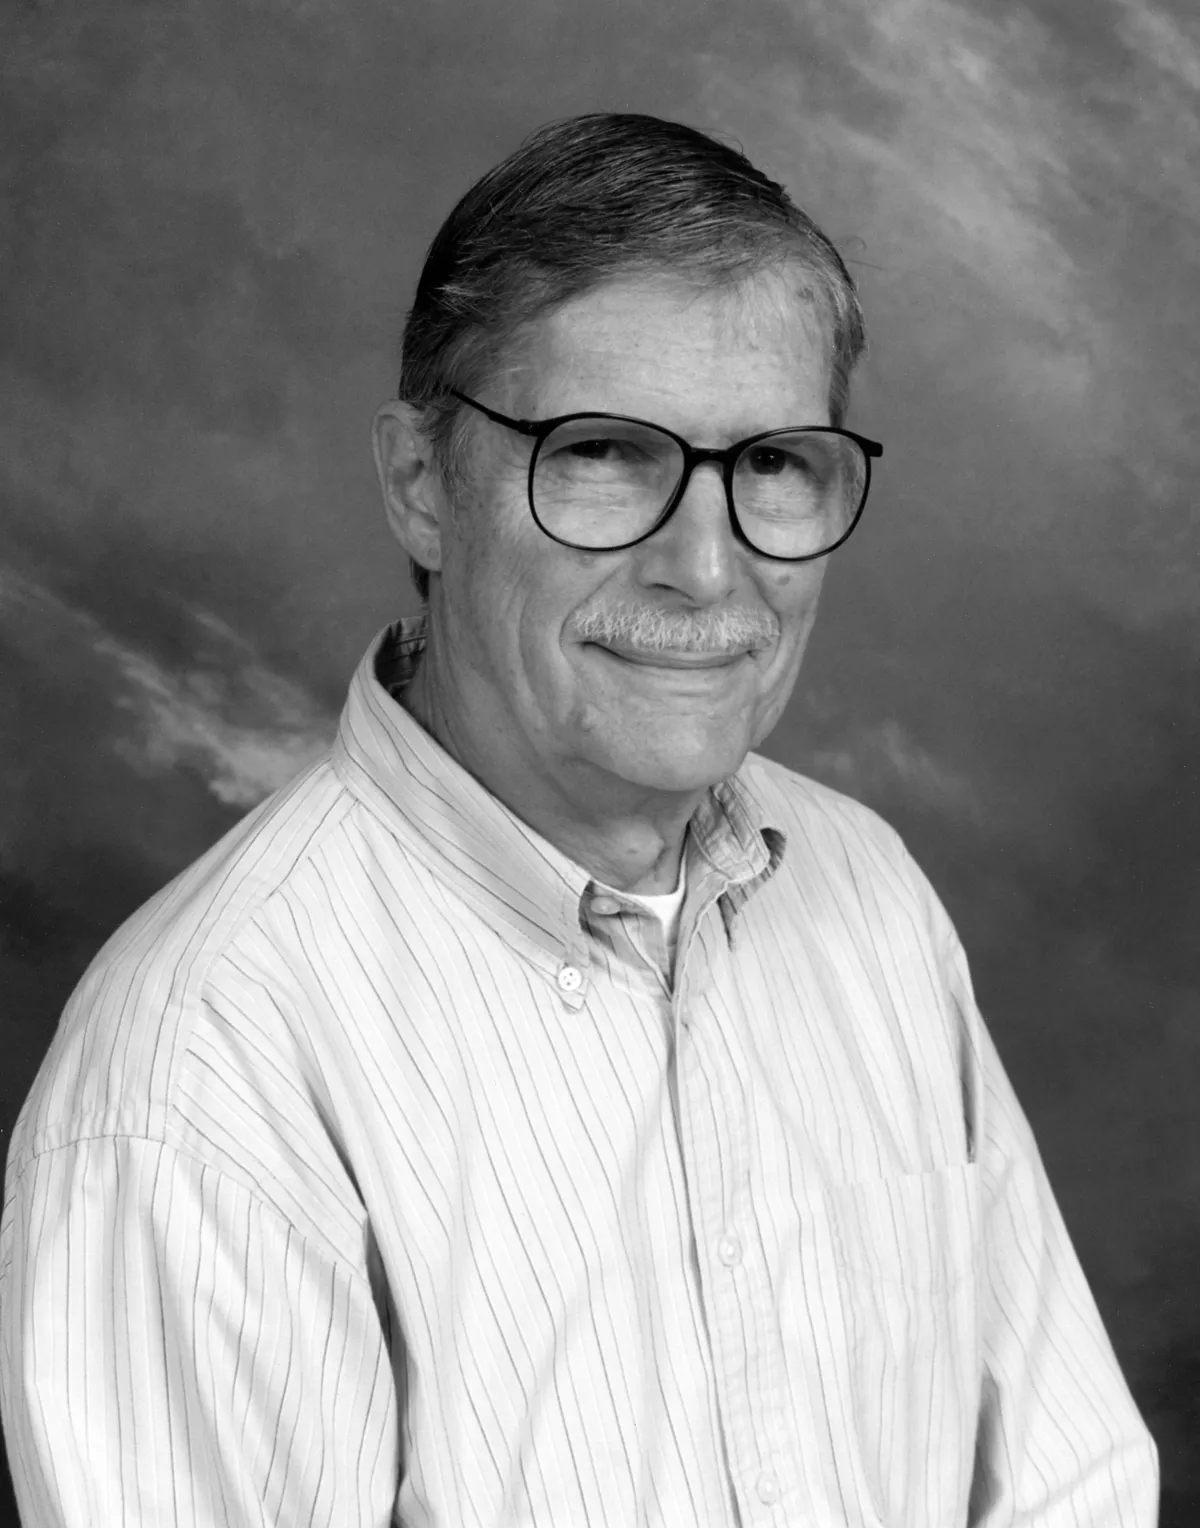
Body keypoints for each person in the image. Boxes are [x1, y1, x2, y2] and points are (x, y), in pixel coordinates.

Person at [0, 113, 1156, 1528]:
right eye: (606, 453)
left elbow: (1071, 1486)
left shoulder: (871, 899)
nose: (705, 566)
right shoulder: (202, 1073)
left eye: (775, 464)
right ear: (422, 485)